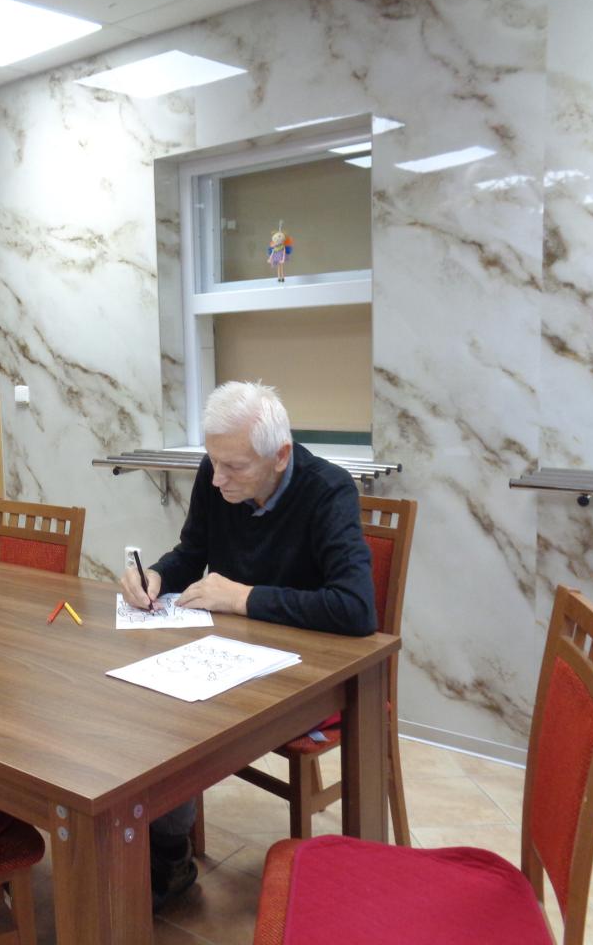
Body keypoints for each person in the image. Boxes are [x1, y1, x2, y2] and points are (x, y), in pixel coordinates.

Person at [119, 380, 376, 910]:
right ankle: (165, 849)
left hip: (303, 675)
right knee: (155, 696)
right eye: (213, 462)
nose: (218, 479)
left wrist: (243, 597)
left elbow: (355, 610)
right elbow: (192, 551)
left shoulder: (328, 491)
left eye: (234, 467)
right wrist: (158, 577)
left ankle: (165, 851)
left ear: (280, 456)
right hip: (228, 654)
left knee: (185, 715)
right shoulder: (215, 474)